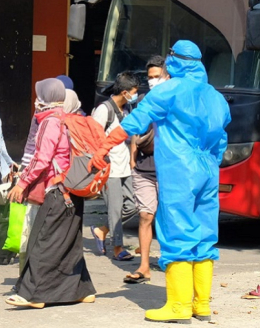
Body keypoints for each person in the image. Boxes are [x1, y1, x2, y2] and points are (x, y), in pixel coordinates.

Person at [88, 41, 231, 323]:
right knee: (204, 234)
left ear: (175, 61)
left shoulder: (168, 91)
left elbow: (132, 123)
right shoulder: (216, 96)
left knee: (176, 233)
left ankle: (178, 307)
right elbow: (222, 138)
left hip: (179, 170)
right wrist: (210, 164)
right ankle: (200, 304)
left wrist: (102, 148)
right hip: (207, 170)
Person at [5, 78, 96, 308]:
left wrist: (22, 183)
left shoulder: (50, 122)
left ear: (44, 98)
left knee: (42, 241)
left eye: (39, 95)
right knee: (70, 243)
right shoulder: (69, 118)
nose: (36, 100)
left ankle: (32, 294)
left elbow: (42, 159)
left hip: (57, 191)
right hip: (73, 189)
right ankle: (82, 290)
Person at [124, 56, 170, 284]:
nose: (152, 81)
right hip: (143, 168)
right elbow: (134, 130)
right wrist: (133, 158)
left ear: (167, 75)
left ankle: (171, 261)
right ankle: (144, 266)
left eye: (157, 77)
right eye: (150, 77)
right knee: (145, 215)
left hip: (169, 169)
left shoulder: (174, 100)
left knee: (169, 217)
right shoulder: (142, 101)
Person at [90, 72, 139, 261]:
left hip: (125, 165)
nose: (134, 96)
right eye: (133, 92)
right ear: (125, 92)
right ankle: (117, 247)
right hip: (109, 168)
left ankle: (102, 230)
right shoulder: (104, 110)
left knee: (133, 204)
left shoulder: (126, 109)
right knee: (115, 208)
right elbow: (93, 138)